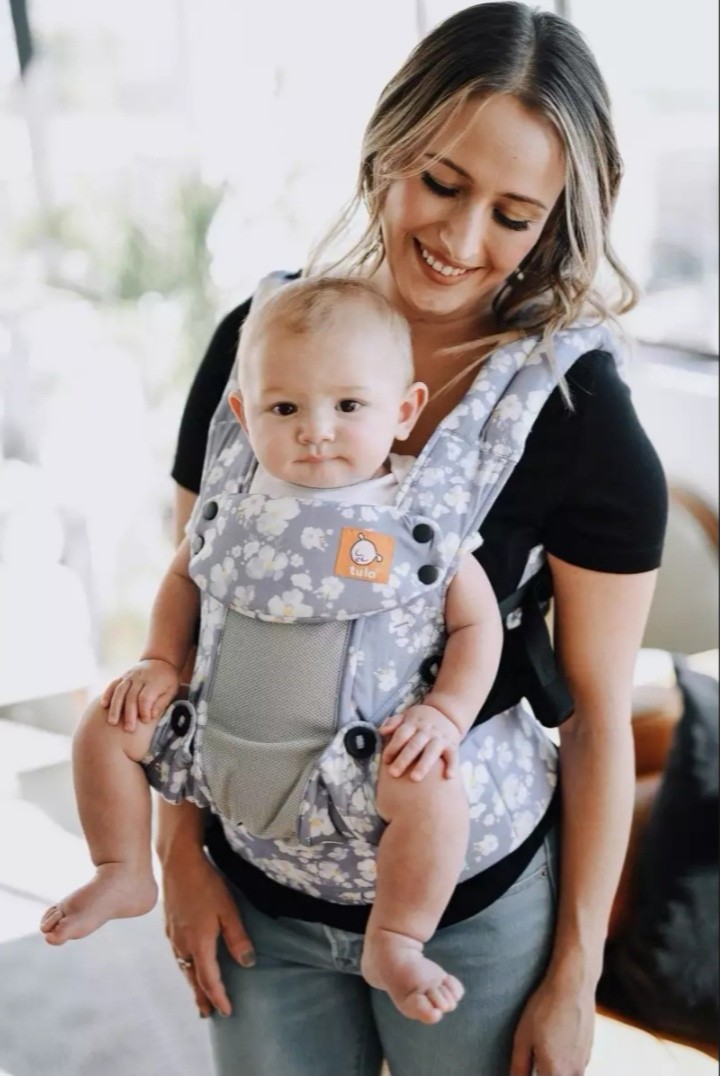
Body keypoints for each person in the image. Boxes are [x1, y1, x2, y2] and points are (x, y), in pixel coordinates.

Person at [51, 3, 669, 1073]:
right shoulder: (260, 342)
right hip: (258, 900)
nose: (462, 240)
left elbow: (599, 721)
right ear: (390, 145)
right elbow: (201, 611)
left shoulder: (576, 414)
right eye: (442, 182)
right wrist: (177, 851)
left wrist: (575, 978)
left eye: (514, 214)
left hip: (471, 915)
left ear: (557, 221)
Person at [40, 276, 504, 1026]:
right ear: (243, 413)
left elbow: (478, 626)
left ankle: (396, 936)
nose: (315, 431)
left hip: (355, 761)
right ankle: (122, 868)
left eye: (348, 406)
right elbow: (184, 577)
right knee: (106, 723)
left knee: (434, 793)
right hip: (215, 742)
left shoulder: (417, 518)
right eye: (284, 409)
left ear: (404, 409)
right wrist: (159, 661)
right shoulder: (237, 501)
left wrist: (446, 714)